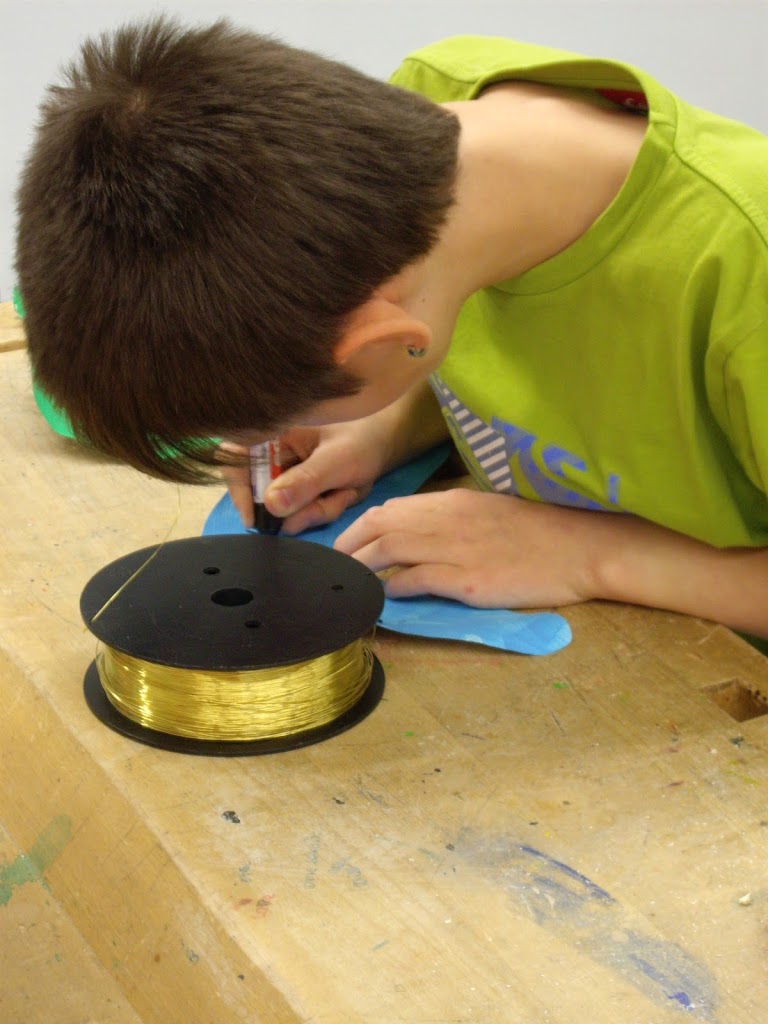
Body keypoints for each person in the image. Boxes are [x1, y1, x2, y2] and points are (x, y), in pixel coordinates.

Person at [16, 17, 768, 641]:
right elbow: (535, 347)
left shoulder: (743, 271)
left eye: (270, 423)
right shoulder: (420, 117)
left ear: (378, 343)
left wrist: (588, 556)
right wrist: (386, 424)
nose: (265, 450)